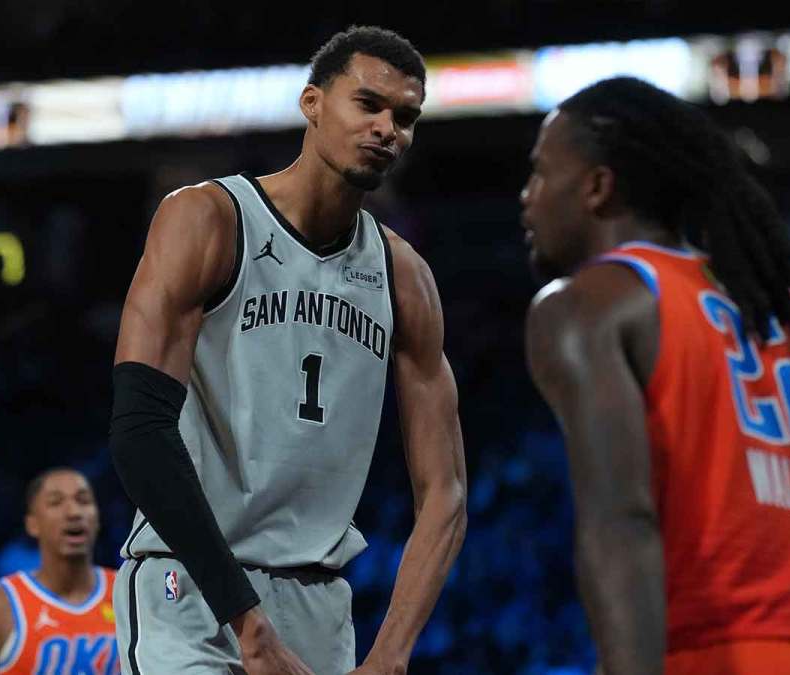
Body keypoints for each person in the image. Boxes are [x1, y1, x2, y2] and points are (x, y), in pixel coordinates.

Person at [109, 25, 466, 675]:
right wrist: (248, 622)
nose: (388, 128)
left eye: (406, 118)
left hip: (319, 603)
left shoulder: (404, 276)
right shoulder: (209, 219)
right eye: (369, 105)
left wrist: (390, 654)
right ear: (313, 104)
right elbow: (138, 431)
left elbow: (445, 489)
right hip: (192, 586)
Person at [522, 77, 790, 675]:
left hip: (726, 650)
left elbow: (622, 520)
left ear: (597, 188)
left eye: (541, 174)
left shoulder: (586, 304)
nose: (528, 196)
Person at [0, 468, 117, 675]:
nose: (74, 512)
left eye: (83, 501)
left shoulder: (130, 594)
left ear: (97, 518)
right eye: (55, 502)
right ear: (32, 524)